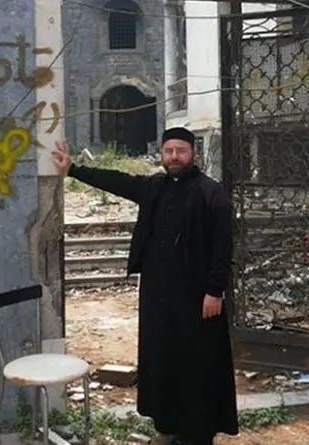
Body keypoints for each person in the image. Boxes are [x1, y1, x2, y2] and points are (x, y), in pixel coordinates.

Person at [52, 128, 239, 445]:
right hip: (158, 293)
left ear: (193, 154)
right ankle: (168, 425)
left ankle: (198, 432)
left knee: (198, 363)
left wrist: (215, 291)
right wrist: (73, 169)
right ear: (162, 155)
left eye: (180, 151)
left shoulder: (211, 193)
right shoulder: (154, 186)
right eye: (169, 151)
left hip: (198, 296)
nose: (174, 157)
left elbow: (223, 247)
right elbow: (117, 181)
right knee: (163, 358)